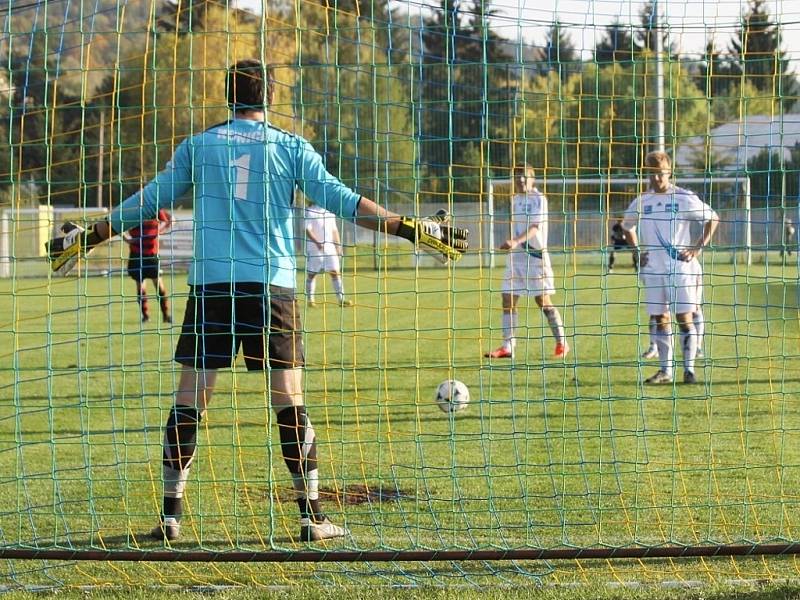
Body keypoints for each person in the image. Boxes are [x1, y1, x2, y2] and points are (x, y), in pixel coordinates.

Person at [46, 59, 467, 544]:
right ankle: (312, 517)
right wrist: (410, 227)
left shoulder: (199, 146)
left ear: (227, 97)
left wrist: (91, 235)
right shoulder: (289, 147)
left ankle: (170, 516)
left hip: (211, 288)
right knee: (288, 399)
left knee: (190, 400)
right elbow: (343, 200)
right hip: (271, 287)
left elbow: (149, 199)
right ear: (270, 97)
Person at [622, 151, 719, 385]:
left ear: (669, 172)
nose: (656, 179)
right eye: (651, 174)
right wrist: (638, 252)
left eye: (660, 174)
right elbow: (626, 226)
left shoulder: (684, 197)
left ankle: (689, 370)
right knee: (659, 318)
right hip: (653, 270)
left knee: (684, 317)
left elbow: (713, 218)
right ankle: (665, 371)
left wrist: (697, 247)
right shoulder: (642, 201)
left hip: (680, 269)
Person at [483, 164, 569, 360]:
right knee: (508, 299)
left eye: (524, 177)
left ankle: (562, 342)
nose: (521, 180)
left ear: (532, 179)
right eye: (517, 177)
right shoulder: (515, 200)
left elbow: (535, 228)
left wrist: (515, 241)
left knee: (543, 302)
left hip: (536, 257)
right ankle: (508, 347)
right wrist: (514, 243)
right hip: (516, 258)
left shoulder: (539, 199)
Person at [124, 208, 173, 323]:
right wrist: (126, 238)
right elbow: (117, 225)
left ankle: (166, 315)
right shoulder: (132, 210)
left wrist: (159, 231)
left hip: (152, 255)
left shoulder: (155, 209)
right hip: (136, 254)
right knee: (140, 287)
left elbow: (170, 220)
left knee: (159, 287)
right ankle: (145, 316)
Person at [304, 203, 352, 307]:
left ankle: (341, 300)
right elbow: (307, 229)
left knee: (335, 272)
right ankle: (310, 300)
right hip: (315, 249)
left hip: (330, 248)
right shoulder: (310, 211)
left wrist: (338, 246)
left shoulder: (330, 211)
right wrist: (317, 243)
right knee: (312, 274)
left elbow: (334, 230)